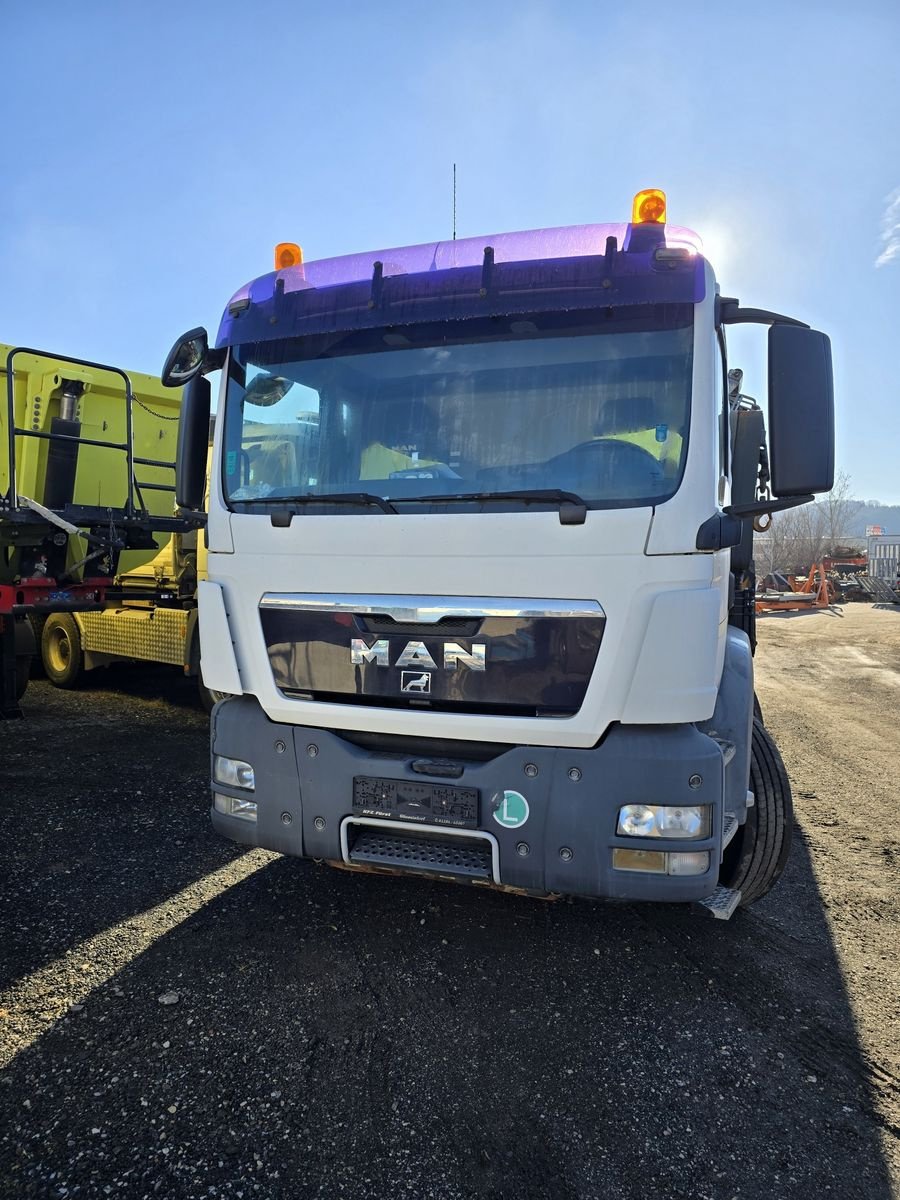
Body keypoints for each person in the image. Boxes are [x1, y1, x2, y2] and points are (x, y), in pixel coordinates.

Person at [593, 393, 685, 474]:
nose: (619, 434)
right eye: (611, 426)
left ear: (647, 425)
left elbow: (674, 475)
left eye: (630, 426)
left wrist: (668, 467)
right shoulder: (592, 455)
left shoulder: (671, 444)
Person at [359, 399, 447, 480]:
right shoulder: (370, 457)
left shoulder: (435, 462)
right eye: (422, 428)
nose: (428, 434)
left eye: (430, 430)